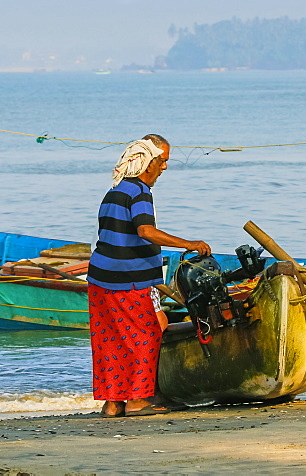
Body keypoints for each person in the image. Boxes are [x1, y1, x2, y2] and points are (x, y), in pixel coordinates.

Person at [87, 134, 211, 417]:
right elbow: (145, 230)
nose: (164, 168)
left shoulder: (114, 191)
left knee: (110, 339)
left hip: (99, 280)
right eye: (163, 161)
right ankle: (138, 399)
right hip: (129, 279)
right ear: (148, 161)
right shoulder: (139, 192)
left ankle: (113, 402)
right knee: (147, 333)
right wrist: (189, 244)